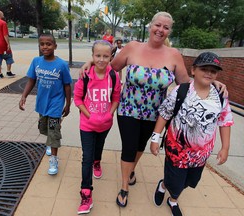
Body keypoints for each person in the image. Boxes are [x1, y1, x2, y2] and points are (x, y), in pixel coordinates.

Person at [79, 11, 227, 208]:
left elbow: (187, 82)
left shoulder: (173, 55)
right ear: (150, 26)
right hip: (128, 110)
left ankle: (131, 171)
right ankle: (124, 187)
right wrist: (91, 62)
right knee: (129, 147)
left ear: (169, 31)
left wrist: (211, 79)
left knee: (140, 147)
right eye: (158, 25)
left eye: (166, 27)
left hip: (154, 113)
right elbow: (110, 67)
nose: (161, 30)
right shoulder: (132, 47)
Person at [150, 51, 233, 216]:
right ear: (194, 70)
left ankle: (171, 198)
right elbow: (165, 113)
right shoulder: (182, 91)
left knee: (189, 182)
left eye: (213, 70)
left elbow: (225, 121)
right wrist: (155, 138)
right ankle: (165, 187)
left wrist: (225, 147)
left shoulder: (220, 96)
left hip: (201, 155)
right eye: (205, 68)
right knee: (175, 181)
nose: (209, 73)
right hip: (177, 151)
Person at [74, 40, 121, 214]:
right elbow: (77, 99)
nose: (101, 59)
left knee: (98, 149)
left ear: (111, 57)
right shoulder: (85, 75)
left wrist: (110, 113)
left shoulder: (114, 76)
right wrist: (89, 115)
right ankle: (86, 194)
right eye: (98, 55)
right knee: (86, 157)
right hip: (87, 124)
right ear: (92, 57)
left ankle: (98, 162)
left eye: (105, 56)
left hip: (105, 123)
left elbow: (116, 97)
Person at [19, 34, 72, 175]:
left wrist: (68, 104)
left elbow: (67, 85)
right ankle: (50, 142)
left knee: (54, 132)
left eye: (48, 44)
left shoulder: (61, 64)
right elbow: (31, 80)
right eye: (42, 44)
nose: (45, 47)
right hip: (42, 103)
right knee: (44, 128)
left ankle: (54, 159)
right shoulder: (36, 61)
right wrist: (24, 95)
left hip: (56, 103)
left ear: (55, 46)